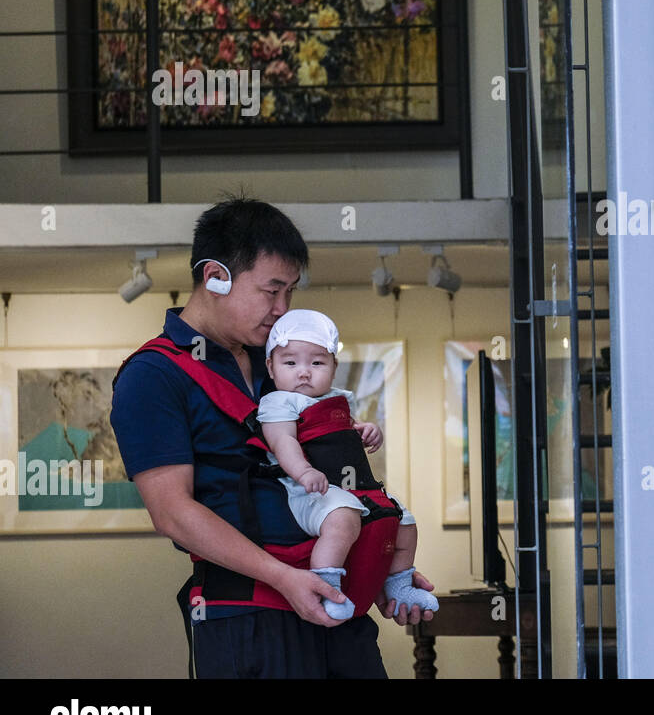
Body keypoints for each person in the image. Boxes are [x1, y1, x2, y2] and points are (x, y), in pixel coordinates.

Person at [110, 196, 436, 678]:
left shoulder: (283, 366)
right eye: (272, 290)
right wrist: (286, 579)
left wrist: (381, 566)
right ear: (215, 276)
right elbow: (173, 513)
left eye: (291, 292)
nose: (282, 309)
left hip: (335, 605)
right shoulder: (153, 375)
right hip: (249, 617)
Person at [258, 307, 439, 621]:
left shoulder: (337, 398)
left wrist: (367, 429)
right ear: (270, 368)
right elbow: (282, 441)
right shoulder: (278, 401)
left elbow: (343, 429)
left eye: (317, 362)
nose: (304, 372)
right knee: (342, 517)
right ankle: (326, 584)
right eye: (290, 362)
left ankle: (398, 583)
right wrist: (304, 471)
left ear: (333, 366)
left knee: (403, 520)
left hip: (351, 489)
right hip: (309, 492)